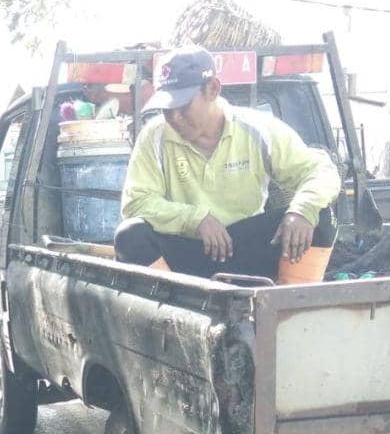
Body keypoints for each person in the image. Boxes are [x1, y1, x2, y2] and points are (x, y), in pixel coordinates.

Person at [114, 45, 341, 283]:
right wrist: (195, 220)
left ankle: (290, 304)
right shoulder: (154, 136)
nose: (174, 117)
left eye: (182, 106)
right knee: (130, 236)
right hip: (186, 254)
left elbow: (321, 171)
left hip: (245, 249)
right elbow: (135, 203)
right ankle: (172, 307)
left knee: (320, 216)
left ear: (212, 89)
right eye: (167, 109)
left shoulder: (257, 129)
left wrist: (301, 210)